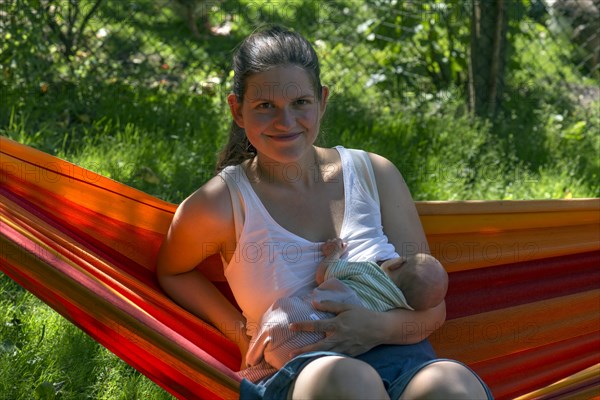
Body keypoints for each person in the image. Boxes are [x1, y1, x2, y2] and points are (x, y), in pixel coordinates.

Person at [156, 25, 492, 399]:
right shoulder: (222, 203)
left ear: (322, 101)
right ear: (237, 110)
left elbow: (432, 309)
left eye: (300, 102)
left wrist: (375, 329)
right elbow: (173, 270)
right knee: (349, 382)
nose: (285, 122)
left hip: (404, 358)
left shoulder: (374, 175)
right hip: (305, 370)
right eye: (265, 106)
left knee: (452, 386)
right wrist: (241, 335)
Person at [247, 238, 449, 370]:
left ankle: (249, 361)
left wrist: (334, 253)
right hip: (314, 355)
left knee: (277, 316)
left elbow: (323, 274)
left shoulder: (370, 270)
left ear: (397, 263)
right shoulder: (399, 309)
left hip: (294, 318)